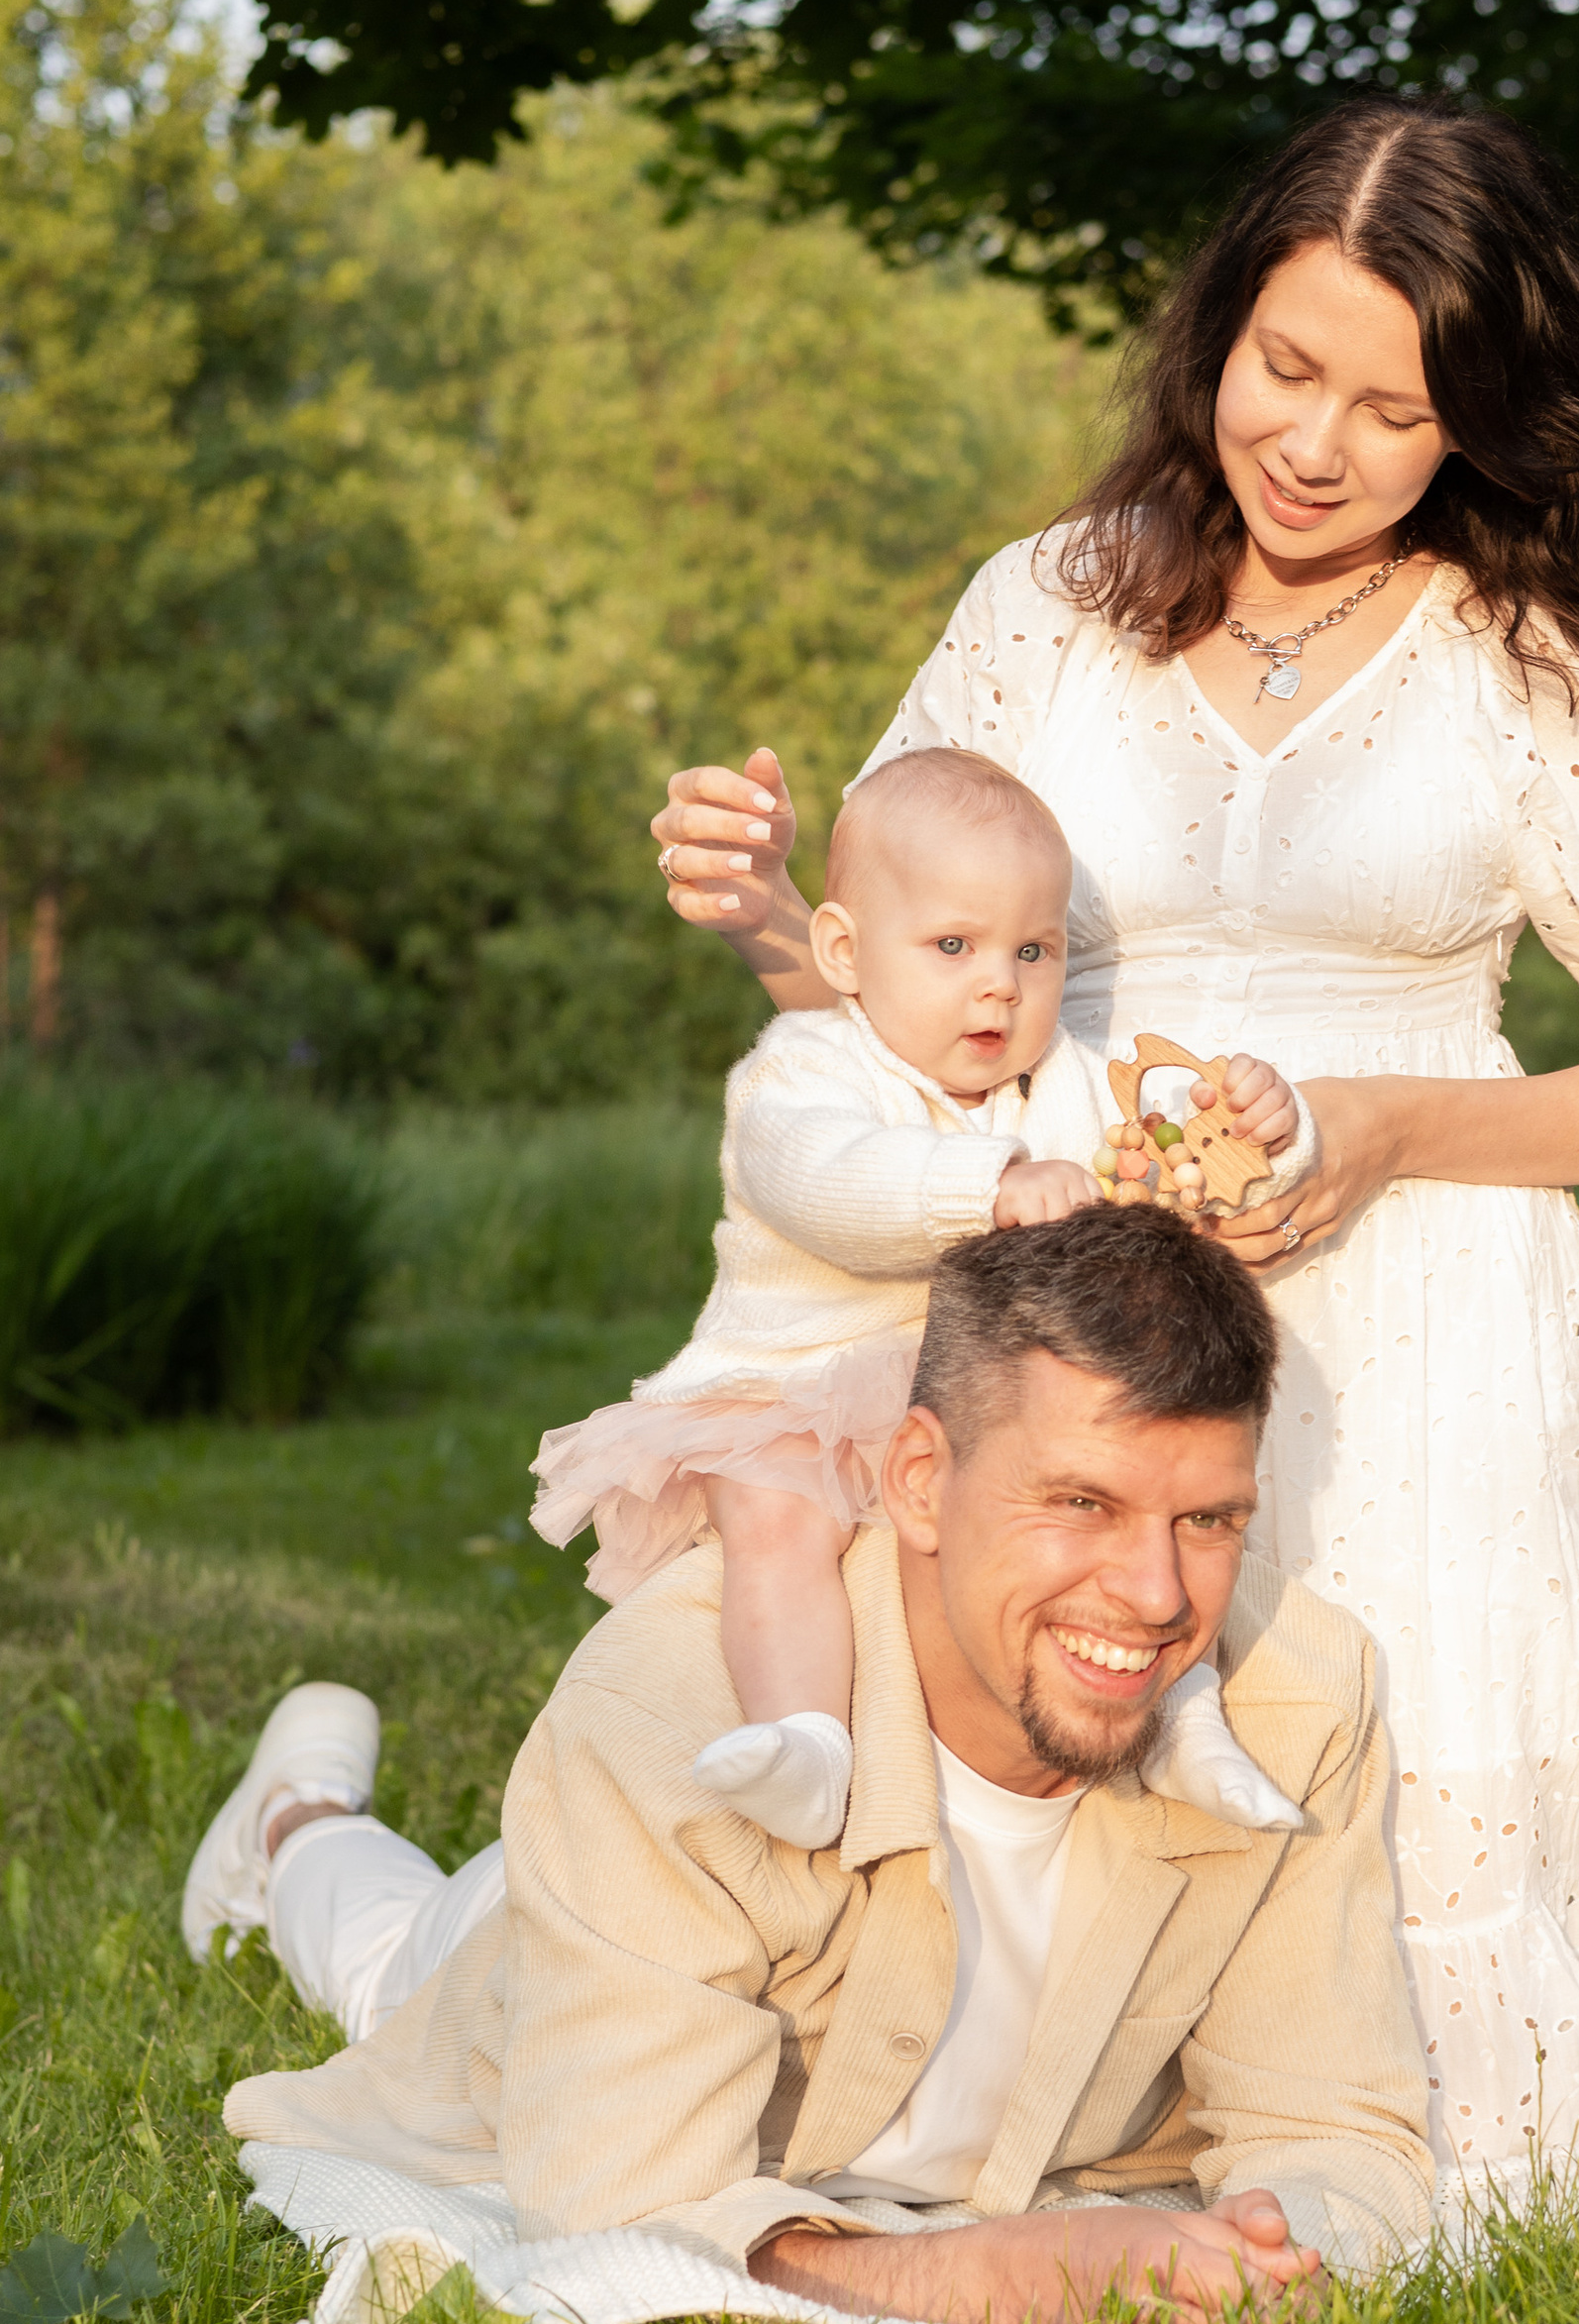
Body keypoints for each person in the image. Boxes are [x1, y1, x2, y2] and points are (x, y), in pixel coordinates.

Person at [650, 95, 1579, 2165]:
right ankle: (310, 1832)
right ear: (1213, 334)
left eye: (1395, 405)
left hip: (1420, 1320)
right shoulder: (1049, 606)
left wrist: (1377, 1128)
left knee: (1407, 2066)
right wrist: (760, 926)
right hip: (1070, 1302)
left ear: (1483, 424)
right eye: (1284, 366)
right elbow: (917, 1002)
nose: (1316, 443)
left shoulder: (1545, 661)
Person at [198, 1208, 1435, 2324]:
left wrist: (1266, 2267)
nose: (1159, 1597)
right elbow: (622, 2221)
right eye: (1079, 1502)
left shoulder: (1302, 1696)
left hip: (644, 1897)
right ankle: (295, 1819)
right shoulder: (674, 1710)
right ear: (915, 1481)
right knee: (391, 1961)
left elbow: (1331, 2125)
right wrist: (993, 2279)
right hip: (540, 1949)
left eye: (1209, 1522)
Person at [524, 744, 1313, 1853]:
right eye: (953, 946)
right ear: (842, 951)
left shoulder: (1070, 1082)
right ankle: (806, 1741)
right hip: (793, 1385)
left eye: (1034, 950)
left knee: (1141, 1517)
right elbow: (820, 1181)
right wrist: (986, 1186)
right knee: (776, 1525)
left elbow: (1179, 1144)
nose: (1000, 982)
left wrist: (1272, 1122)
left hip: (976, 1403)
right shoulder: (804, 1069)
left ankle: (1184, 1722)